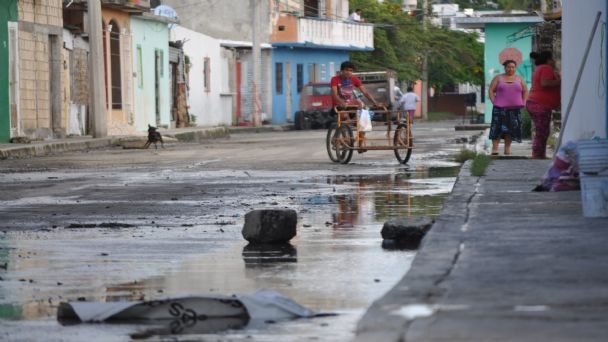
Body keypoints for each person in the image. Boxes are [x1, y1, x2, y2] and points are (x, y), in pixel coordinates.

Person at [331, 61, 378, 152]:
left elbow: (365, 92)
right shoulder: (335, 79)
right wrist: (341, 102)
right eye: (346, 70)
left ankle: (360, 145)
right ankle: (336, 137)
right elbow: (334, 94)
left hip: (351, 105)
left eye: (351, 70)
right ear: (342, 70)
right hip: (338, 105)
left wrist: (374, 102)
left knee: (364, 118)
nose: (349, 72)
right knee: (344, 117)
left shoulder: (354, 79)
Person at [488, 59, 528, 155]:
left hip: (514, 109)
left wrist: (524, 102)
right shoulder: (498, 78)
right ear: (505, 68)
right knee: (496, 128)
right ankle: (495, 148)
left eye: (513, 67)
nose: (511, 69)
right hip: (499, 108)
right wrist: (494, 101)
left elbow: (525, 91)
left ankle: (507, 148)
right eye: (509, 67)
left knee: (510, 129)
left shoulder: (519, 79)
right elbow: (491, 90)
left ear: (515, 68)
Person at [526, 51, 561, 159]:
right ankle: (537, 156)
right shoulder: (546, 68)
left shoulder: (540, 68)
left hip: (535, 103)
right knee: (542, 132)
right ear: (548, 60)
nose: (554, 61)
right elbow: (545, 83)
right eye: (552, 58)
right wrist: (560, 81)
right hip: (540, 104)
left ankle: (540, 155)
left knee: (542, 131)